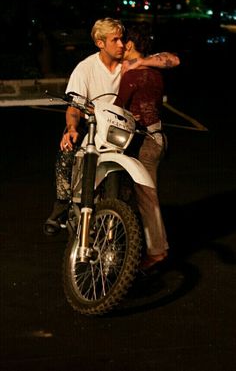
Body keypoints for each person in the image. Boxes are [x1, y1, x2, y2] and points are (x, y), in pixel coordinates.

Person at [44, 17, 180, 236]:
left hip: (122, 132)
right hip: (93, 128)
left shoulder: (126, 64)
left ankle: (121, 223)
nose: (121, 44)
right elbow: (74, 107)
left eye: (122, 39)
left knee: (130, 183)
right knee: (67, 150)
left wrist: (141, 63)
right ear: (100, 43)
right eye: (114, 40)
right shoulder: (85, 68)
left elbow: (173, 60)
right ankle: (61, 205)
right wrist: (71, 127)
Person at [115, 22, 169, 269]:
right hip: (158, 138)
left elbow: (118, 107)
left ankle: (157, 251)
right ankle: (135, 239)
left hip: (144, 141)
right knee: (139, 193)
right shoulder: (154, 73)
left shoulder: (133, 76)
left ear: (130, 44)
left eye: (124, 42)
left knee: (147, 198)